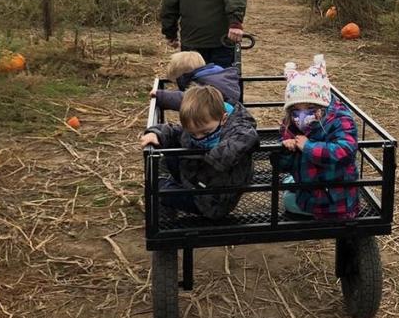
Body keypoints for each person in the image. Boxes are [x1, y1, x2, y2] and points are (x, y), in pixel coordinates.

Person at [140, 85, 258, 220]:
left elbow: (246, 138)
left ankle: (166, 200)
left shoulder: (239, 130)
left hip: (214, 199)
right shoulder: (204, 125)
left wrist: (205, 158)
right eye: (192, 133)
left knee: (161, 190)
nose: (199, 137)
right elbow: (176, 131)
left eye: (205, 132)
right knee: (166, 159)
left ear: (224, 119)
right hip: (198, 181)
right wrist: (156, 134)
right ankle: (167, 195)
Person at [271, 54, 360, 219]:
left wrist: (308, 147)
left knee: (288, 200)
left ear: (322, 104)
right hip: (311, 184)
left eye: (310, 108)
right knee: (288, 185)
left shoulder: (340, 119)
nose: (303, 116)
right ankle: (296, 184)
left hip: (332, 199)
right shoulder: (291, 122)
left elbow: (345, 151)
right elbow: (281, 165)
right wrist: (286, 149)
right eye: (296, 109)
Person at [152, 50, 241, 110]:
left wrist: (161, 95)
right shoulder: (216, 75)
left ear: (184, 77)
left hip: (219, 121)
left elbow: (187, 99)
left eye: (177, 82)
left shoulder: (203, 84)